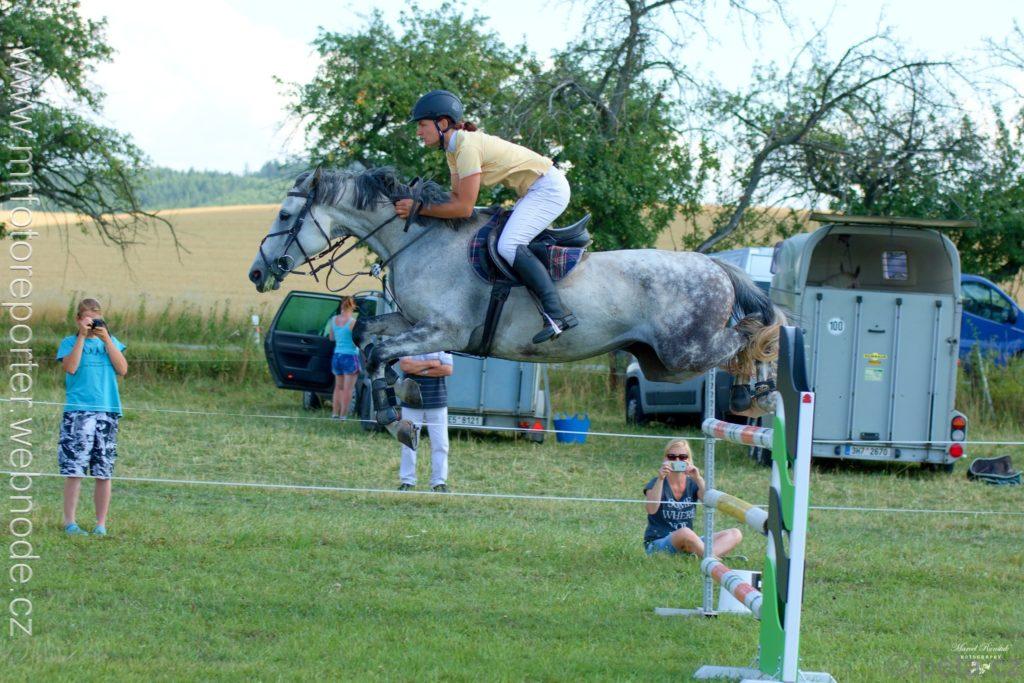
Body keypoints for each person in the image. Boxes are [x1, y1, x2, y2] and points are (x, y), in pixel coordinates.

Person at [395, 89, 578, 344]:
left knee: (509, 245)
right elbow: (456, 197)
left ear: (442, 123)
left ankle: (557, 314)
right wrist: (419, 200)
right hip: (534, 190)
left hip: (549, 190)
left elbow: (463, 208)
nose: (418, 132)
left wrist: (419, 208)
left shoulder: (467, 147)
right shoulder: (454, 149)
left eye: (422, 125)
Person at [56, 298, 128, 537]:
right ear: (78, 319)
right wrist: (81, 336)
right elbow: (70, 367)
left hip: (107, 410)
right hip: (78, 411)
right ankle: (70, 522)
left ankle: (101, 524)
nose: (93, 323)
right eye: (88, 319)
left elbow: (122, 369)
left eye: (97, 319)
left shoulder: (111, 342)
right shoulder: (69, 342)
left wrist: (106, 339)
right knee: (74, 468)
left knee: (103, 471)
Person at [643, 438, 743, 557]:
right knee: (685, 532)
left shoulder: (693, 483)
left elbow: (710, 502)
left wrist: (698, 478)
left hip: (688, 541)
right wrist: (660, 478)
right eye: (672, 457)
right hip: (658, 544)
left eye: (683, 457)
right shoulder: (656, 483)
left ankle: (707, 556)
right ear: (665, 459)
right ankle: (712, 559)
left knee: (735, 533)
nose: (677, 460)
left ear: (689, 460)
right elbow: (651, 509)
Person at [397, 351, 453, 492]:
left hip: (437, 401)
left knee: (441, 444)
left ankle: (439, 482)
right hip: (410, 399)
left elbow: (447, 369)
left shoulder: (443, 343)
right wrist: (432, 364)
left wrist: (418, 369)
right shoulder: (408, 341)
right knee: (408, 443)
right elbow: (405, 366)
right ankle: (407, 481)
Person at [328, 296, 360, 419]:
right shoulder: (352, 322)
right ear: (353, 307)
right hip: (350, 356)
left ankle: (334, 414)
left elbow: (331, 338)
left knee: (338, 387)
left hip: (337, 356)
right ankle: (343, 416)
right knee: (348, 389)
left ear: (341, 306)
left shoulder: (334, 319)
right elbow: (355, 342)